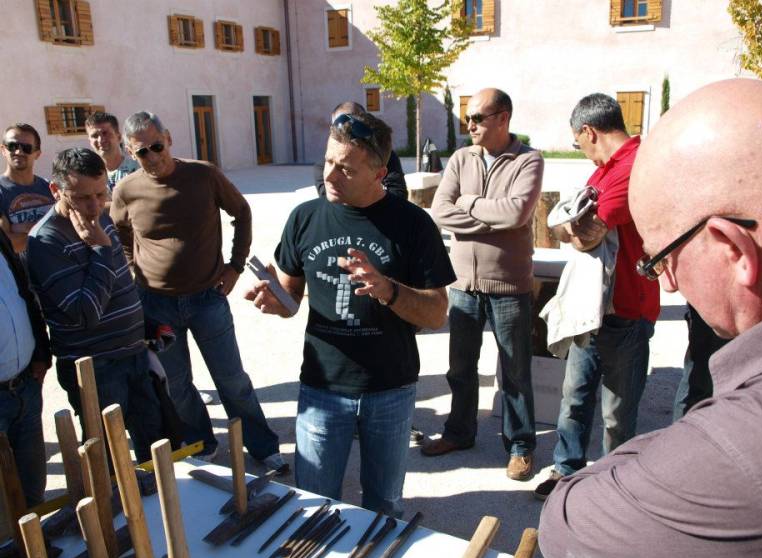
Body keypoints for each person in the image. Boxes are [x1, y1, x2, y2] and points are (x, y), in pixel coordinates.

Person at [539, 78, 762, 558]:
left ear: (733, 249)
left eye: (660, 259)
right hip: (602, 314)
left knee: (619, 411)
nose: (669, 281)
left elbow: (570, 527)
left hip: (624, 319)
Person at [246, 112, 453, 516]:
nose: (331, 177)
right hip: (322, 387)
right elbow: (290, 298)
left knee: (384, 505)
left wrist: (389, 289)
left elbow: (436, 313)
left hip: (390, 389)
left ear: (379, 173)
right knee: (314, 504)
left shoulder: (412, 224)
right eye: (327, 162)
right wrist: (275, 301)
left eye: (345, 169)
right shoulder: (305, 217)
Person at [111, 111, 284, 469]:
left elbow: (242, 212)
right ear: (130, 152)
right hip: (156, 305)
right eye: (143, 152)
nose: (153, 156)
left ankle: (261, 445)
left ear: (169, 138)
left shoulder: (203, 175)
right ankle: (201, 442)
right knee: (176, 384)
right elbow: (122, 235)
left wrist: (236, 266)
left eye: (157, 146)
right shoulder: (126, 190)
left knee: (233, 380)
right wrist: (133, 270)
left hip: (207, 299)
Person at [533, 93, 660, 500]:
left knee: (617, 412)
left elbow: (587, 231)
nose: (582, 152)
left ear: (588, 131)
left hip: (627, 309)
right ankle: (567, 471)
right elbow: (577, 228)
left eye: (578, 143)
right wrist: (574, 229)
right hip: (592, 311)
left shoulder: (633, 166)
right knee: (575, 397)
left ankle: (614, 485)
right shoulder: (604, 171)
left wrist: (570, 230)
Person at [425, 88, 542, 481]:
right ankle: (459, 433)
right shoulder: (461, 158)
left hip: (509, 285)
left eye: (477, 117)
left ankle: (521, 444)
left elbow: (517, 213)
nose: (469, 125)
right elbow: (440, 211)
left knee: (515, 370)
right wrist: (488, 214)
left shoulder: (529, 160)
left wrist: (469, 203)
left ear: (503, 118)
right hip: (462, 285)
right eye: (468, 118)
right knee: (460, 367)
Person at [26, 148, 165, 461]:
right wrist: (100, 250)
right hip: (95, 370)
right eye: (82, 197)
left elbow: (119, 283)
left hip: (134, 354)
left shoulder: (100, 216)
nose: (94, 206)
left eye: (101, 193)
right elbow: (85, 312)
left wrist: (144, 324)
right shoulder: (45, 242)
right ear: (54, 190)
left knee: (154, 445)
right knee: (111, 463)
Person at [0, 227, 50, 506]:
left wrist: (41, 353)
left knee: (32, 490)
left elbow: (25, 295)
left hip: (25, 386)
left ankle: (37, 544)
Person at [313, 101, 407, 201]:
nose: (329, 177)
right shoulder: (322, 166)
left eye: (355, 125)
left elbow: (398, 193)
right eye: (340, 127)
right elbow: (330, 201)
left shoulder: (384, 156)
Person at [0, 124, 55, 252]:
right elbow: (6, 245)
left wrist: (22, 228)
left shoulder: (50, 188)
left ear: (37, 154)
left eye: (26, 148)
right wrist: (50, 232)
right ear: (3, 150)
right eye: (12, 146)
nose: (19, 152)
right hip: (24, 271)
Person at [85, 111, 138, 193]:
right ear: (90, 141)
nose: (101, 140)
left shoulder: (137, 169)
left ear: (119, 137)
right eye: (95, 136)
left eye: (105, 133)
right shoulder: (89, 176)